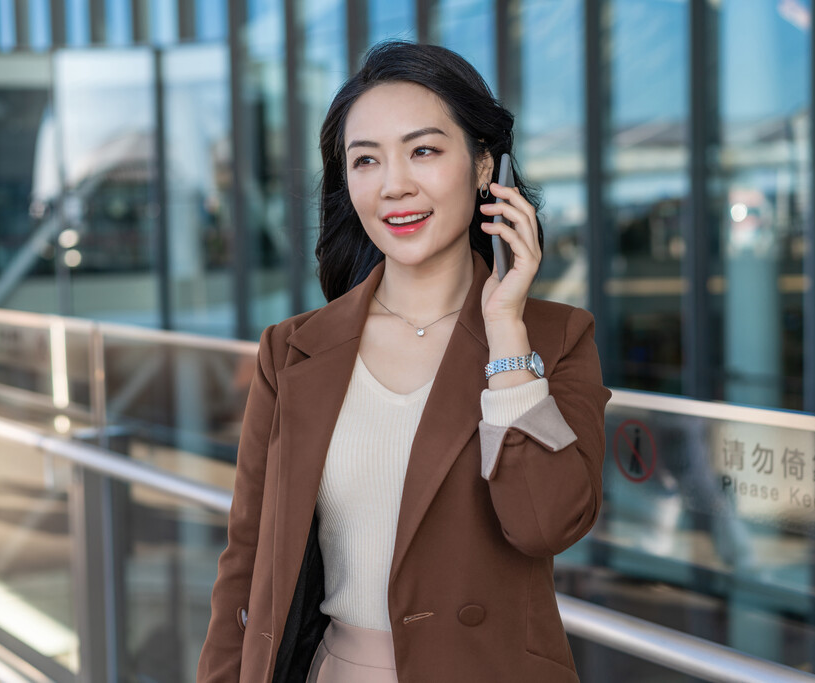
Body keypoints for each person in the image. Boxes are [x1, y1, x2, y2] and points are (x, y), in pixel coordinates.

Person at [197, 41, 610, 683]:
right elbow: (247, 562)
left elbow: (545, 524)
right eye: (366, 160)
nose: (394, 185)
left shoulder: (552, 341)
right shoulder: (294, 350)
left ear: (484, 167)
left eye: (423, 150)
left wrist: (505, 332)